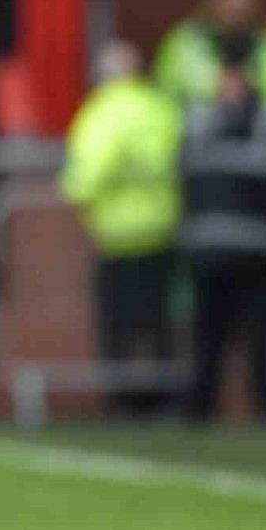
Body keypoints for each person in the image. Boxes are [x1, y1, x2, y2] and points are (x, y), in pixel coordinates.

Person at [60, 41, 182, 416]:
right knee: (158, 320)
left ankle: (124, 401)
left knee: (118, 323)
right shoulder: (160, 108)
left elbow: (87, 174)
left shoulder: (101, 112)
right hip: (161, 228)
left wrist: (77, 193)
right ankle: (163, 399)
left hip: (115, 233)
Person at [181, 66, 266, 422]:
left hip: (255, 247)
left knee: (263, 334)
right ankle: (200, 405)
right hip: (210, 249)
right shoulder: (198, 124)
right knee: (208, 335)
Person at [154, 0, 266, 111]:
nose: (236, 8)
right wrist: (214, 86)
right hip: (197, 116)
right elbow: (166, 88)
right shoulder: (185, 39)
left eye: (243, 1)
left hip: (255, 117)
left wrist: (249, 87)